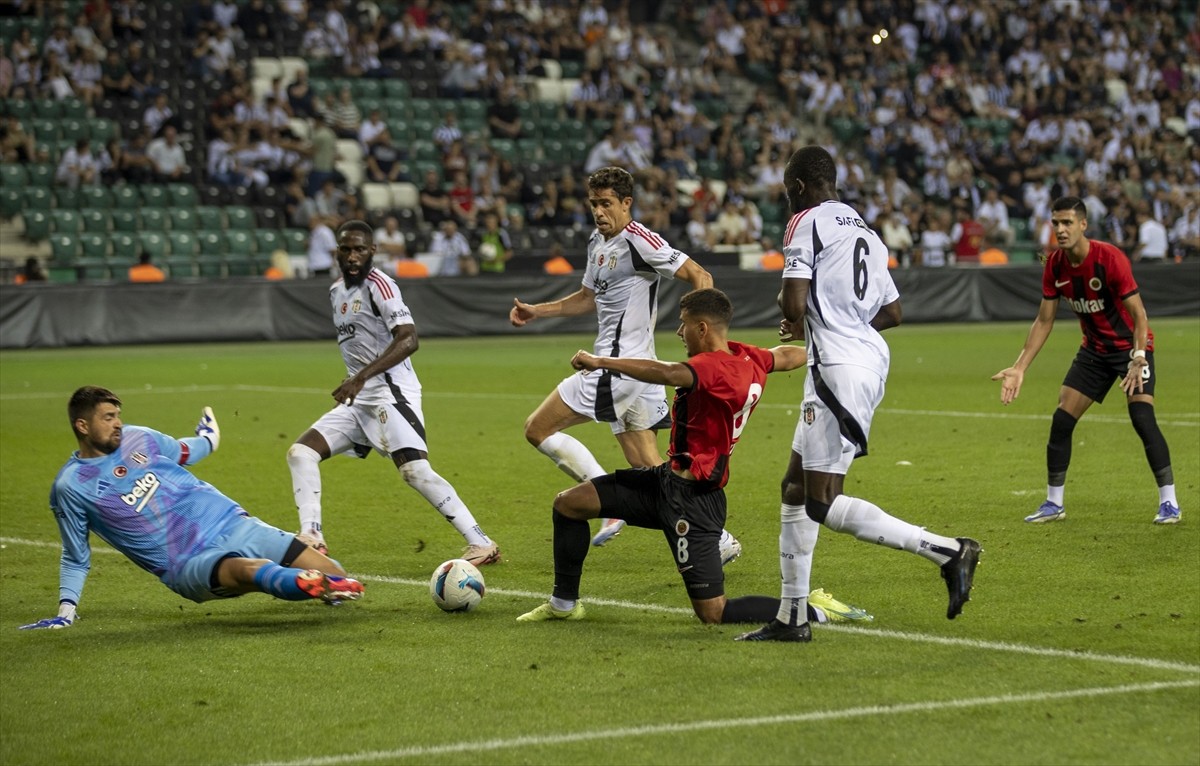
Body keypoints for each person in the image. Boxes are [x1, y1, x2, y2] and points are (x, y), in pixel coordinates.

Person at [739, 146, 981, 643]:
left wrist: (792, 313)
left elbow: (794, 301)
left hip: (836, 368)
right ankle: (791, 617)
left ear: (801, 188)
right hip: (865, 360)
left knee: (823, 502)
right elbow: (893, 312)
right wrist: (847, 326)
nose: (788, 203)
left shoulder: (805, 221)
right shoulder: (865, 231)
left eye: (789, 194)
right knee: (794, 488)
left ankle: (948, 551)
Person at [517, 289, 868, 627]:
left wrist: (600, 361)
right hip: (664, 482)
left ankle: (812, 610)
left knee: (712, 613)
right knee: (569, 504)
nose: (679, 331)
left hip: (695, 501)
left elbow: (668, 373)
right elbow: (785, 356)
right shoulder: (748, 358)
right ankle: (563, 605)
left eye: (684, 323)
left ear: (702, 327)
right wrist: (823, 347)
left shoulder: (715, 369)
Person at [508, 166, 741, 555]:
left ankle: (606, 500)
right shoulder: (596, 243)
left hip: (615, 369)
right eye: (594, 203)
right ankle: (716, 540)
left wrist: (705, 337)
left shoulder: (639, 240)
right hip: (637, 373)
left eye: (607, 204)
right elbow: (586, 298)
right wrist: (538, 311)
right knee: (652, 474)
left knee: (537, 429)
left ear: (626, 203)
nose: (599, 211)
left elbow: (700, 275)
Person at [19, 386, 362, 630]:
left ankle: (326, 584)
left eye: (118, 415)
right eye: (108, 418)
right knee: (247, 571)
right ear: (83, 426)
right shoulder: (72, 487)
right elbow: (75, 555)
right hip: (188, 560)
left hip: (232, 522)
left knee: (338, 572)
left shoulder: (139, 437)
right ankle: (309, 584)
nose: (118, 423)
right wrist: (66, 610)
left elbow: (188, 451)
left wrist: (209, 438)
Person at [286, 220, 501, 564]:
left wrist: (360, 378)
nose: (352, 256)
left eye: (359, 249)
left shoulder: (381, 286)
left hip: (391, 393)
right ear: (337, 252)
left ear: (372, 251)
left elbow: (409, 338)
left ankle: (482, 543)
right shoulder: (336, 290)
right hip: (359, 400)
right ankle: (312, 535)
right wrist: (355, 380)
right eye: (346, 249)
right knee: (301, 452)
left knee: (414, 471)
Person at [991, 196, 1180, 525]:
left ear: (1083, 225)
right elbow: (1044, 320)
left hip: (1130, 348)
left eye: (1067, 223)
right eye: (1056, 224)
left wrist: (1138, 356)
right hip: (1094, 351)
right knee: (1062, 420)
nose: (1060, 230)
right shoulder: (1055, 264)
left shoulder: (1109, 258)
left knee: (1141, 416)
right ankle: (1054, 503)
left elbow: (1139, 315)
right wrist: (1020, 366)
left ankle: (1169, 502)